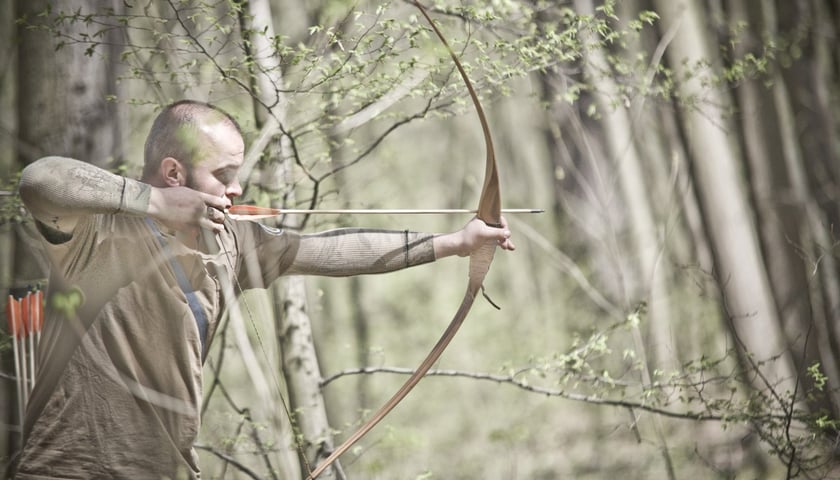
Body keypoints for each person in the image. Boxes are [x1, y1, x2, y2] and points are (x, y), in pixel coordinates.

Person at [11, 99, 514, 479]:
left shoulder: (231, 242)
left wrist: (454, 242)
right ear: (173, 173)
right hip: (67, 467)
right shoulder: (94, 233)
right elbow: (39, 180)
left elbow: (333, 249)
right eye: (224, 176)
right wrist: (156, 205)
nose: (236, 190)